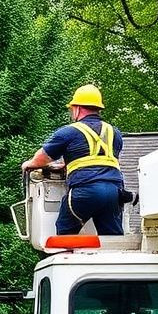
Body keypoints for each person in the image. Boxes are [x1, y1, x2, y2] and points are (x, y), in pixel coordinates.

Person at [22, 84, 125, 235]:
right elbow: (100, 159)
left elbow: (40, 160)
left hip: (86, 190)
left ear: (77, 108)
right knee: (112, 242)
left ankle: (65, 257)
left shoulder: (69, 132)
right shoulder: (114, 133)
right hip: (114, 192)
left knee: (65, 232)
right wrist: (68, 163)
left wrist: (28, 164)